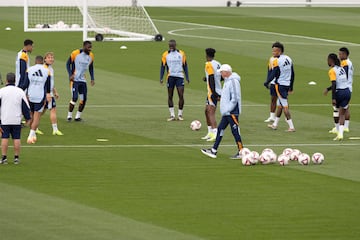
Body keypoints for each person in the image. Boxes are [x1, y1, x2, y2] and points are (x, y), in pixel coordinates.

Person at [201, 64, 244, 159]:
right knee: (220, 129)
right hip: (227, 112)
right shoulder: (227, 81)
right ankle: (213, 150)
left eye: (222, 72)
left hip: (232, 111)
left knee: (235, 130)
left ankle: (241, 151)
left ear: (227, 72)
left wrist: (228, 108)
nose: (220, 73)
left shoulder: (233, 81)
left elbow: (235, 97)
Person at [0, 73, 31, 165]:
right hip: (16, 119)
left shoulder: (1, 91)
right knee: (16, 138)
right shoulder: (20, 91)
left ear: (6, 80)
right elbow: (25, 106)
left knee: (4, 137)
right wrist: (28, 118)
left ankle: (4, 158)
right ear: (15, 80)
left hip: (4, 118)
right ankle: (16, 158)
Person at [20, 55, 51, 144]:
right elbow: (47, 86)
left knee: (31, 116)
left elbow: (25, 84)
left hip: (30, 96)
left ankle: (33, 134)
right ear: (42, 61)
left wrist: (19, 90)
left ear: (35, 61)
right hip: (40, 97)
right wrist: (47, 94)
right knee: (37, 117)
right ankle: (31, 136)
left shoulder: (29, 69)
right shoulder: (47, 71)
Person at [266, 42, 295, 132]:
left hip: (280, 85)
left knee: (285, 106)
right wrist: (291, 86)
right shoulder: (288, 59)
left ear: (279, 51)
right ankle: (275, 124)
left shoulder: (277, 61)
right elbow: (293, 73)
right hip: (286, 84)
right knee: (280, 105)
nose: (273, 52)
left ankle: (291, 126)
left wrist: (266, 82)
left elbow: (274, 73)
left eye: (275, 51)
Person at [160, 39, 190, 121]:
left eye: (172, 46)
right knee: (170, 96)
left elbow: (185, 65)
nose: (171, 48)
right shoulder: (165, 54)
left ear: (175, 45)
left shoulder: (181, 53)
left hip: (179, 76)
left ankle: (180, 114)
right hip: (170, 77)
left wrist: (187, 77)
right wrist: (161, 77)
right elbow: (162, 66)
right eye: (170, 46)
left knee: (181, 95)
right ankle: (172, 115)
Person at [326, 47, 354, 134]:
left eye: (341, 54)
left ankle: (339, 128)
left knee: (338, 109)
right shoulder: (349, 62)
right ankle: (345, 126)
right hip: (347, 87)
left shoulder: (345, 63)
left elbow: (342, 76)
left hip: (343, 87)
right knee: (345, 108)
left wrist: (330, 89)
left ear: (345, 54)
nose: (339, 55)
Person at [66, 41, 95, 121]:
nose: (90, 49)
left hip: (83, 81)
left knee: (83, 99)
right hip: (74, 80)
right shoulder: (75, 53)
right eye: (88, 47)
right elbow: (68, 64)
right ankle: (69, 115)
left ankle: (77, 116)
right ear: (84, 46)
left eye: (91, 47)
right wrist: (70, 74)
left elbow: (91, 67)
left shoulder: (91, 56)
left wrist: (92, 78)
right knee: (75, 98)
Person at [201, 48, 222, 142]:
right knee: (206, 111)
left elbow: (211, 78)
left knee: (210, 112)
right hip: (216, 89)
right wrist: (207, 79)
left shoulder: (208, 64)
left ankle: (215, 133)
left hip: (212, 91)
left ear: (206, 55)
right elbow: (220, 77)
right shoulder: (218, 64)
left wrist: (214, 93)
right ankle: (210, 132)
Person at [43, 52, 63, 135]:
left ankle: (34, 127)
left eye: (52, 57)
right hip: (47, 94)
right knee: (53, 110)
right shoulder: (45, 69)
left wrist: (55, 91)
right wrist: (48, 93)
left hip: (48, 93)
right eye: (49, 57)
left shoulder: (50, 68)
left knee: (41, 111)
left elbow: (51, 82)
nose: (51, 59)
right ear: (45, 59)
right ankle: (55, 129)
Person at [264, 56, 277, 123]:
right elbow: (269, 70)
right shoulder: (271, 59)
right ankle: (272, 117)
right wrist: (267, 81)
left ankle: (288, 119)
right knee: (273, 99)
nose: (273, 52)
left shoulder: (281, 60)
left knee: (283, 102)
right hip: (273, 82)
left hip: (280, 83)